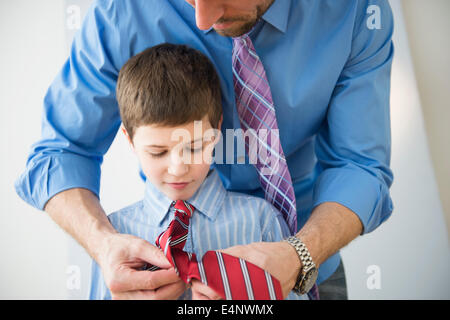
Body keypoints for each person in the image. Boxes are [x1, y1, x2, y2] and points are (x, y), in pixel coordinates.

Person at [15, 0, 395, 300]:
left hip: (310, 263)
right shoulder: (121, 12)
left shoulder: (356, 11)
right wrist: (102, 244)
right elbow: (59, 154)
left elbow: (359, 165)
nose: (202, 18)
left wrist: (299, 256)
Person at [89, 43, 308, 300]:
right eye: (158, 152)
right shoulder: (113, 236)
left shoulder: (261, 221)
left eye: (194, 148)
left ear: (216, 131)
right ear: (129, 140)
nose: (178, 168)